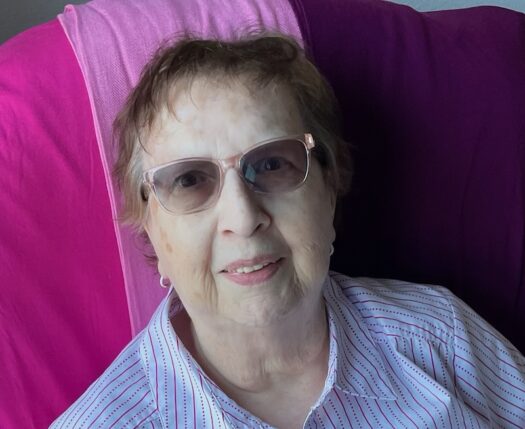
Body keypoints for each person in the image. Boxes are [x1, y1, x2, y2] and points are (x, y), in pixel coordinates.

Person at [51, 33, 525, 429]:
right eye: (190, 180)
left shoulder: (441, 337)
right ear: (149, 227)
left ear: (330, 186)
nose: (243, 218)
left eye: (273, 164)